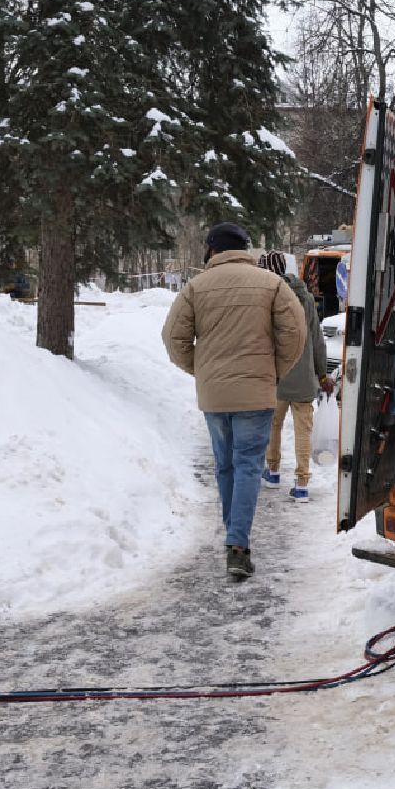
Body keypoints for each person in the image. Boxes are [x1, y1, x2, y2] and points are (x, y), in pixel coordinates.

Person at [162, 222, 305, 579]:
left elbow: (172, 338)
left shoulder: (195, 288)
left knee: (225, 465)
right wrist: (274, 372)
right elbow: (295, 332)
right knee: (246, 466)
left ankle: (234, 539)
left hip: (214, 395)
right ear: (244, 248)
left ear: (212, 250)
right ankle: (238, 546)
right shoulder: (272, 284)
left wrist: (202, 371)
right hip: (256, 393)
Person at [257, 252, 333, 503]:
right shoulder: (306, 298)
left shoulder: (265, 299)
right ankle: (302, 484)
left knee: (273, 425)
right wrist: (322, 374)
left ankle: (274, 471)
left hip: (276, 375)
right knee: (303, 430)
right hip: (303, 378)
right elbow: (317, 340)